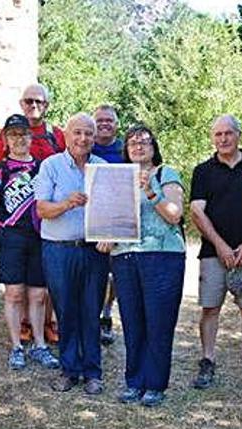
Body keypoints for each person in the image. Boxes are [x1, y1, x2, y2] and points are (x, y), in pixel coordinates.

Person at [98, 124, 185, 407]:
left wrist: (151, 192)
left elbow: (174, 215)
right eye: (132, 142)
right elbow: (111, 218)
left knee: (158, 323)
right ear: (125, 149)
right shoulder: (118, 179)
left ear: (153, 146)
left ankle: (155, 385)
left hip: (162, 257)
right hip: (125, 257)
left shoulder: (165, 174)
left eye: (144, 141)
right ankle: (134, 382)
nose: (138, 146)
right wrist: (106, 237)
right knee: (132, 322)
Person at [189, 114, 242, 392]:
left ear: (238, 135)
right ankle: (207, 360)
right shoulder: (203, 171)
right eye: (217, 135)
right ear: (212, 138)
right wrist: (221, 246)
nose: (223, 139)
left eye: (228, 133)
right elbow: (197, 211)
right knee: (210, 309)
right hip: (213, 253)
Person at [35, 113, 110, 395]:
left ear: (94, 138)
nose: (83, 139)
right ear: (66, 136)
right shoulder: (51, 166)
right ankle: (69, 370)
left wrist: (110, 237)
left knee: (92, 310)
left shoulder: (103, 167)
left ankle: (93, 372)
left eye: (88, 134)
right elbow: (42, 210)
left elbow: (113, 212)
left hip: (94, 251)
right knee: (65, 310)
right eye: (77, 133)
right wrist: (66, 204)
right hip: (59, 250)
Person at [0, 114, 60, 371]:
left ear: (31, 136)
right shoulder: (1, 169)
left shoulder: (42, 167)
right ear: (6, 139)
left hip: (38, 237)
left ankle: (40, 344)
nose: (19, 139)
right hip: (10, 237)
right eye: (14, 134)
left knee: (38, 294)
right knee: (14, 293)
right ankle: (16, 346)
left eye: (24, 134)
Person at [0, 83, 66, 345]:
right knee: (20, 283)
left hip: (48, 214)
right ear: (21, 103)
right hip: (16, 218)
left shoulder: (56, 134)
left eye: (39, 101)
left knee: (42, 282)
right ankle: (24, 323)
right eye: (28, 101)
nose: (33, 106)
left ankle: (47, 324)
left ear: (46, 105)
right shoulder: (10, 133)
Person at [91, 104, 124, 345]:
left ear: (116, 124)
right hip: (90, 218)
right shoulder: (85, 146)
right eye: (100, 120)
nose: (104, 124)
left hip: (121, 220)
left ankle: (106, 314)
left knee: (114, 276)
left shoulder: (125, 149)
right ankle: (90, 318)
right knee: (94, 274)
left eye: (109, 121)